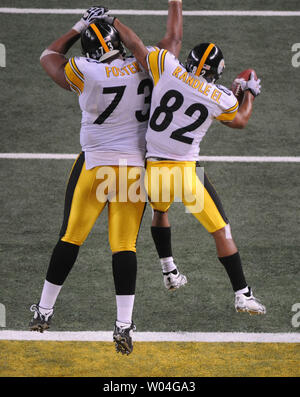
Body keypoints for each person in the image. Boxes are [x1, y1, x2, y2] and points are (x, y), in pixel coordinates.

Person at [29, 2, 184, 356]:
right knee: (124, 247)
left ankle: (44, 310)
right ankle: (124, 325)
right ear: (119, 42)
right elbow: (173, 40)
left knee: (70, 238)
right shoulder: (148, 65)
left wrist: (78, 25)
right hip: (133, 171)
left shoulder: (85, 70)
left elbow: (48, 55)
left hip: (95, 167)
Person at [97, 10, 266, 316]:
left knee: (159, 211)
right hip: (185, 174)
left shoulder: (167, 66)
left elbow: (135, 45)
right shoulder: (219, 96)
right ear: (216, 73)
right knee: (222, 231)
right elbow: (239, 119)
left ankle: (169, 271)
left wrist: (115, 22)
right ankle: (243, 294)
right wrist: (250, 92)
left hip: (153, 169)